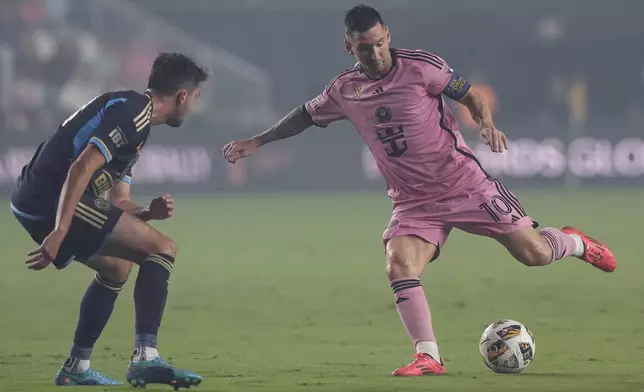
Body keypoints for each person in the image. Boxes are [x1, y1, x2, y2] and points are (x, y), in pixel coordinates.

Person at [222, 5, 616, 377]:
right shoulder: (345, 89)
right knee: (399, 264)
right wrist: (258, 141)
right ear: (349, 47)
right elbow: (305, 115)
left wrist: (487, 123)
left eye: (380, 43)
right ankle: (428, 355)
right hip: (414, 202)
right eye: (364, 47)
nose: (375, 53)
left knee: (536, 254)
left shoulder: (421, 67)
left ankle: (575, 243)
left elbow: (471, 95)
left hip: (466, 184)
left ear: (388, 35)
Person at [11, 52, 208, 388]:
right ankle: (145, 358)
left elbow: (119, 203)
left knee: (117, 267)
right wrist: (60, 229)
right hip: (49, 198)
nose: (194, 107)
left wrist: (147, 212)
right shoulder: (133, 112)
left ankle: (77, 366)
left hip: (41, 198)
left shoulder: (138, 124)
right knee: (162, 249)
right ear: (182, 96)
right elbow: (82, 167)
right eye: (197, 98)